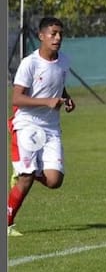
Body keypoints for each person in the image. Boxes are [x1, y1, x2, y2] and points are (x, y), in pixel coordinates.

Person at [7, 17, 76, 236]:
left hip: (51, 127)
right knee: (26, 179)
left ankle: (24, 170)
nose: (57, 38)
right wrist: (47, 102)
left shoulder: (64, 60)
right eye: (53, 33)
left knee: (55, 180)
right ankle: (7, 222)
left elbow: (57, 85)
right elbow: (16, 99)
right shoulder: (30, 63)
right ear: (41, 36)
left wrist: (67, 98)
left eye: (60, 34)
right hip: (27, 124)